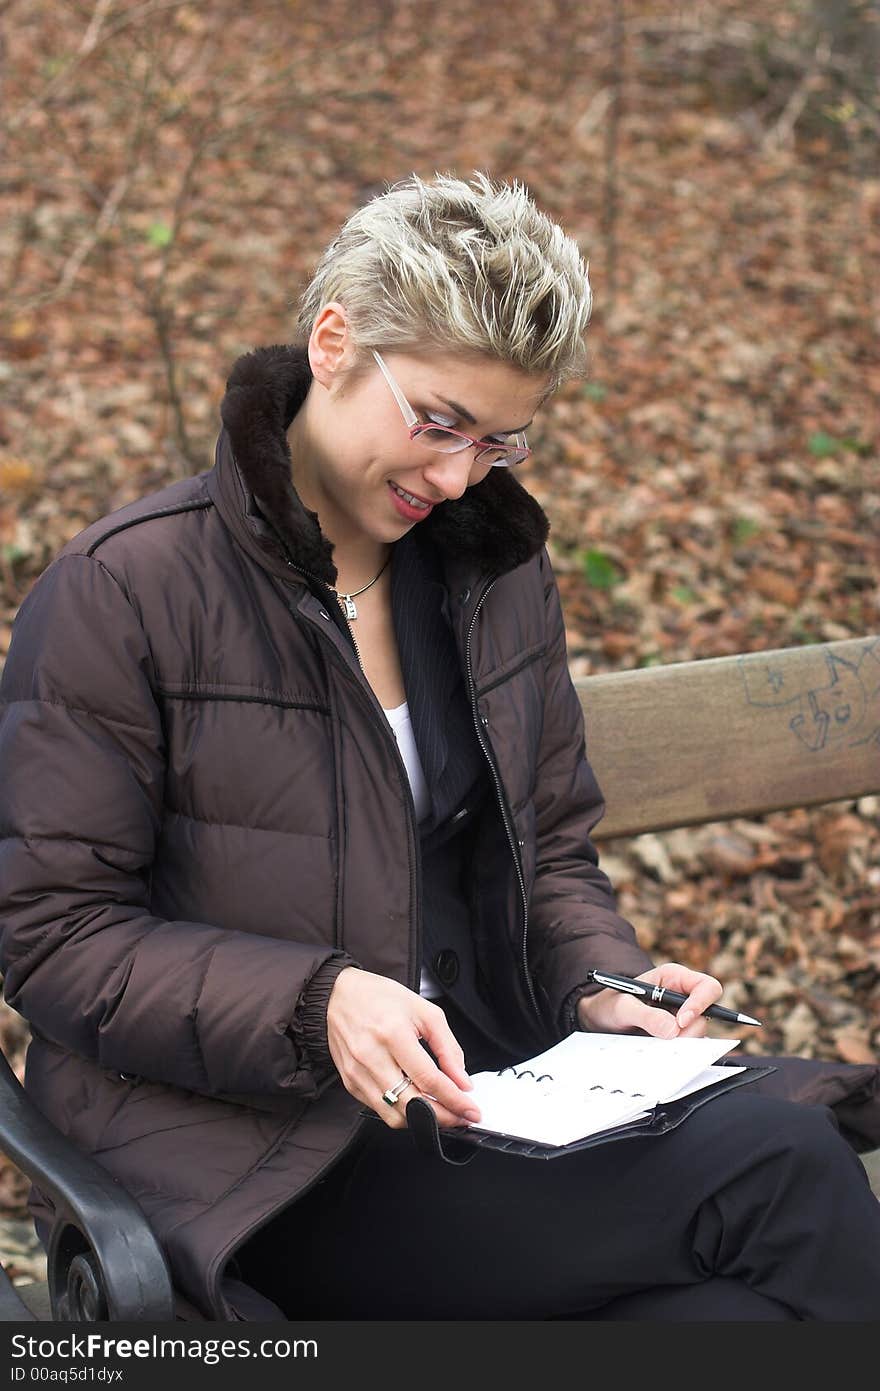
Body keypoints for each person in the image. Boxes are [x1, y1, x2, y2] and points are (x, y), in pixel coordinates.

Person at [1, 171, 879, 1324]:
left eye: (500, 439)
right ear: (333, 342)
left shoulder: (488, 574)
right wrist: (315, 1002)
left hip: (490, 1098)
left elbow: (551, 846)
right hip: (260, 1159)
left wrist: (598, 982)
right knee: (789, 1179)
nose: (459, 475)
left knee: (727, 1316)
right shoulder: (127, 590)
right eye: (436, 421)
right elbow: (54, 934)